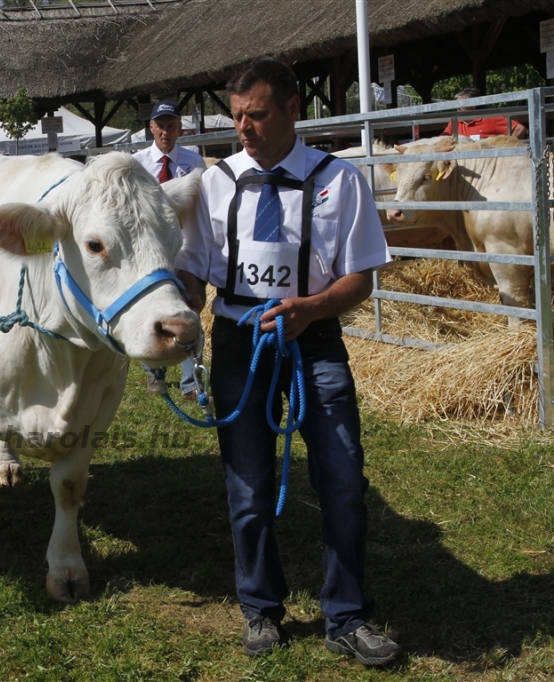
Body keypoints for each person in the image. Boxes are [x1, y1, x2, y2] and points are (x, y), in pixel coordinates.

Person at [176, 57, 401, 666]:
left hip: (315, 341)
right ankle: (260, 609)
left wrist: (314, 308)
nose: (244, 128)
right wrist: (179, 309)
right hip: (239, 340)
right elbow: (195, 269)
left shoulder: (340, 180)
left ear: (294, 110)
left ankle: (347, 615)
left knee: (344, 478)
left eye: (258, 115)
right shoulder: (215, 183)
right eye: (237, 116)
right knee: (247, 483)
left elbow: (362, 279)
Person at [134, 100, 207, 400]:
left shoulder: (194, 162)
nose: (166, 131)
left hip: (185, 249)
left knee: (190, 309)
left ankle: (191, 383)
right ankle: (154, 372)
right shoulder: (136, 163)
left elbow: (202, 208)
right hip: (152, 253)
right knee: (151, 311)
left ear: (180, 128)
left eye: (171, 125)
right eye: (160, 125)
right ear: (151, 127)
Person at [441, 86, 527, 140]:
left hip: (487, 165)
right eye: (456, 104)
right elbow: (441, 140)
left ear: (473, 104)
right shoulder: (454, 123)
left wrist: (507, 150)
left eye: (460, 104)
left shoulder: (491, 118)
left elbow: (519, 129)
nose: (457, 107)